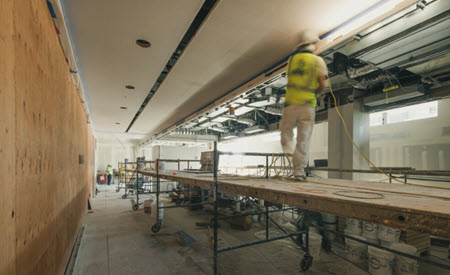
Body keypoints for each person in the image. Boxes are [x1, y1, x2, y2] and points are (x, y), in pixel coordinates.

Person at [280, 30, 327, 181]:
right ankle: (298, 171)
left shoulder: (292, 60)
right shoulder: (318, 61)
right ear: (313, 45)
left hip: (290, 105)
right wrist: (317, 93)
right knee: (303, 139)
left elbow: (291, 77)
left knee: (285, 135)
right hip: (307, 105)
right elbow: (322, 83)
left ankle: (290, 156)